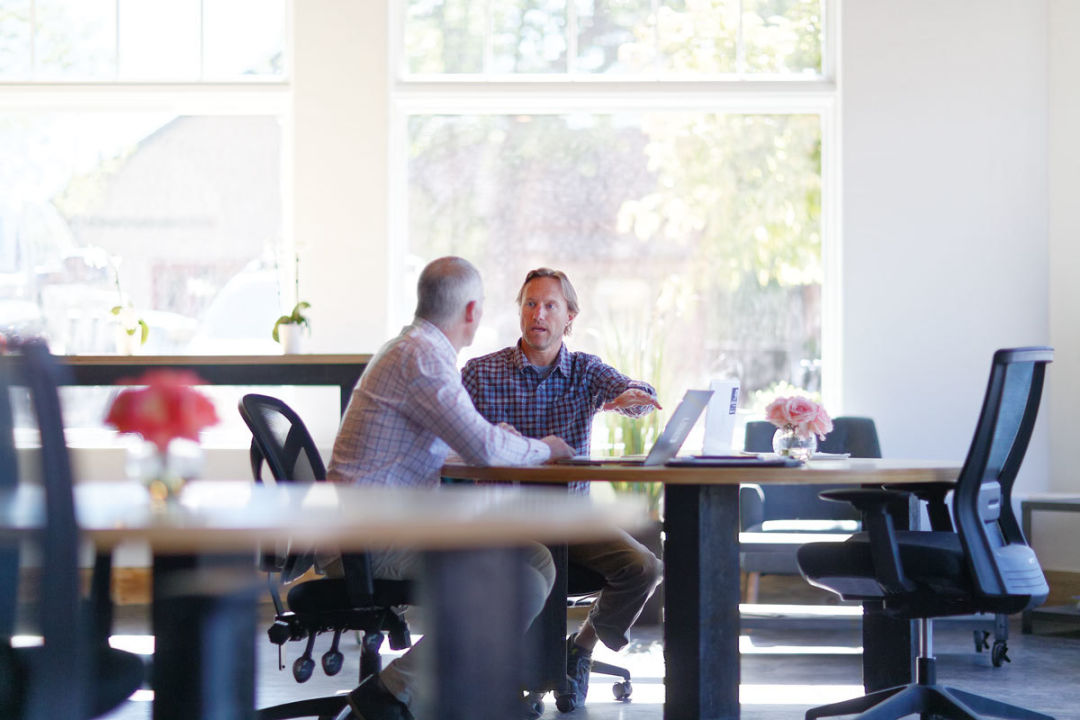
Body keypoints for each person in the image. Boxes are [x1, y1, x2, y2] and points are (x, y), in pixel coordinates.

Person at [327, 257, 574, 720]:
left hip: (380, 527)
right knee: (514, 580)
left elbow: (455, 445)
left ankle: (438, 687)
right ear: (471, 310)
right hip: (370, 540)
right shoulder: (421, 357)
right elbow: (483, 448)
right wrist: (544, 448)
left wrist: (499, 441)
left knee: (537, 559)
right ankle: (395, 691)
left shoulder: (413, 349)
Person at [461, 267, 664, 708]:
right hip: (504, 520)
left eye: (550, 305)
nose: (538, 314)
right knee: (530, 573)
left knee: (645, 568)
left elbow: (633, 390)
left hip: (573, 519)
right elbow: (448, 432)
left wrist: (632, 396)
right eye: (530, 304)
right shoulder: (480, 372)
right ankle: (513, 669)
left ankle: (580, 648)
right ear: (520, 311)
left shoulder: (585, 371)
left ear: (569, 316)